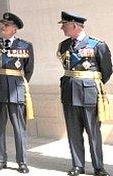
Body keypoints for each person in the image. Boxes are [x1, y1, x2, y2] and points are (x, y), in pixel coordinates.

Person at [57, 11, 112, 176]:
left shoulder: (97, 45)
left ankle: (98, 167)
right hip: (69, 93)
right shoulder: (64, 45)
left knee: (93, 132)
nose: (62, 29)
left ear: (74, 26)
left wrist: (90, 84)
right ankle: (77, 165)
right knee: (73, 132)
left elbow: (107, 71)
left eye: (64, 26)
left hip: (89, 94)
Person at [0, 12, 33, 173]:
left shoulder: (25, 46)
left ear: (14, 29)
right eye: (2, 24)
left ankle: (22, 162)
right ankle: (0, 160)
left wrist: (17, 83)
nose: (2, 27)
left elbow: (28, 70)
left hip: (15, 88)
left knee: (19, 127)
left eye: (6, 25)